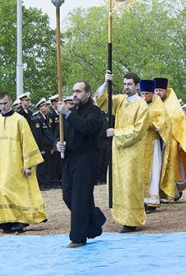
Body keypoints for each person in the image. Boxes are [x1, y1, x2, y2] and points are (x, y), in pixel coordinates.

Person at [0, 91, 47, 233]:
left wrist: (28, 165)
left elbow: (28, 143)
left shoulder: (20, 120)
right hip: (1, 165)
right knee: (2, 190)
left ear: (11, 102)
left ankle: (20, 220)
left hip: (18, 165)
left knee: (18, 191)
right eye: (0, 104)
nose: (3, 107)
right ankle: (6, 220)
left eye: (5, 103)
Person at [95, 71, 150, 233]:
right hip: (118, 150)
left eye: (129, 84)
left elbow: (138, 130)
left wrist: (117, 132)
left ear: (137, 86)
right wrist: (106, 83)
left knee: (130, 184)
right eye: (125, 84)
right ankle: (122, 216)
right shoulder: (120, 100)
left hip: (132, 151)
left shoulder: (142, 105)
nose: (126, 87)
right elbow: (100, 101)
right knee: (118, 183)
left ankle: (132, 219)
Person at [56, 81, 106, 248]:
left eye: (78, 91)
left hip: (86, 159)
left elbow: (86, 127)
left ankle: (78, 237)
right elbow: (61, 134)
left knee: (79, 198)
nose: (75, 94)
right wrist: (58, 144)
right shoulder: (70, 111)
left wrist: (68, 115)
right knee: (68, 195)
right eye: (73, 91)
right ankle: (95, 220)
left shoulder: (95, 112)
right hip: (70, 158)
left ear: (88, 94)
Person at [154, 77, 186, 200]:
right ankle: (158, 193)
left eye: (160, 90)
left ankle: (174, 192)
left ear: (166, 91)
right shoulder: (151, 103)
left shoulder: (174, 107)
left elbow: (181, 126)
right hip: (156, 142)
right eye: (156, 90)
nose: (157, 93)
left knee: (170, 167)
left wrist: (181, 143)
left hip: (171, 142)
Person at [139, 80, 174, 213]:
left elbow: (164, 123)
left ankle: (152, 203)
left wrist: (148, 123)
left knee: (153, 172)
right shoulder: (138, 104)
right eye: (142, 93)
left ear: (152, 93)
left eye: (147, 93)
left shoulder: (158, 105)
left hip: (152, 143)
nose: (144, 96)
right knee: (140, 173)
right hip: (139, 144)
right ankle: (141, 201)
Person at [33, 98, 54, 190]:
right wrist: (40, 149)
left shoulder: (47, 118)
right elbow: (38, 136)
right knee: (42, 166)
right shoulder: (37, 119)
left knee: (48, 165)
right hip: (43, 146)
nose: (47, 107)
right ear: (40, 108)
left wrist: (53, 145)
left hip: (49, 145)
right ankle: (41, 184)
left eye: (47, 106)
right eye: (44, 106)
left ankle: (47, 182)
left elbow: (50, 132)